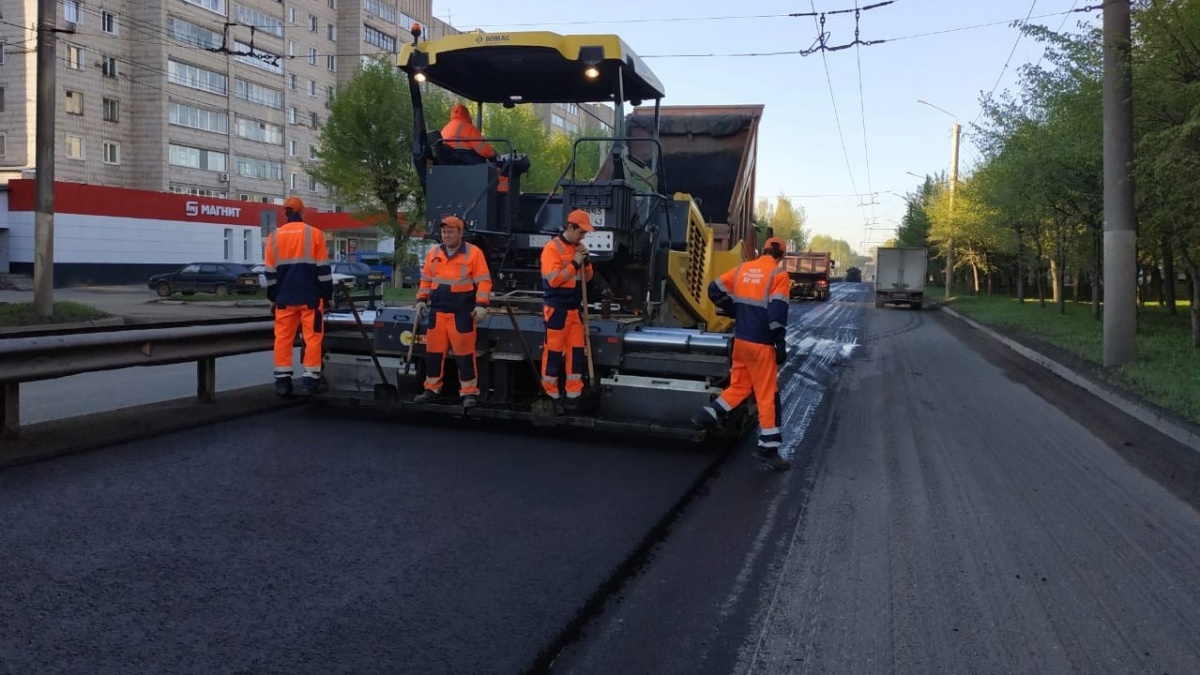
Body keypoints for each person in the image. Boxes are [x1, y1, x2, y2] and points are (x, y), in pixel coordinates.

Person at [691, 237, 792, 470]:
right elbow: (777, 315)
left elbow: (713, 289)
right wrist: (780, 344)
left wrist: (732, 308)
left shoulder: (743, 269)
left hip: (742, 341)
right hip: (762, 344)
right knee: (767, 395)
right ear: (781, 255)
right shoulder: (779, 276)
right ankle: (768, 447)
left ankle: (708, 413)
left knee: (740, 387)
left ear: (763, 251)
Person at [413, 215, 493, 408]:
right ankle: (431, 389)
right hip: (438, 311)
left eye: (450, 232)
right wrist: (421, 300)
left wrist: (481, 305)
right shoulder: (434, 252)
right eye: (444, 232)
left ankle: (468, 393)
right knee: (433, 353)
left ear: (460, 233)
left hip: (462, 312)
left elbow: (483, 281)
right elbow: (426, 280)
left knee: (465, 355)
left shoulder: (473, 253)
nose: (446, 235)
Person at [266, 196, 333, 397]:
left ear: (285, 213)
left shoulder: (274, 237)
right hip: (311, 298)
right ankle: (311, 381)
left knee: (283, 339)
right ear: (302, 212)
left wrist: (273, 299)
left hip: (285, 299)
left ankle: (282, 381)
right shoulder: (315, 234)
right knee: (312, 338)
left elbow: (270, 273)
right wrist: (327, 295)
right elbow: (323, 270)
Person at [539, 208, 595, 411]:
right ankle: (550, 394)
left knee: (576, 352)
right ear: (570, 227)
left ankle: (573, 396)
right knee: (553, 352)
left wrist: (586, 262)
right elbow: (554, 280)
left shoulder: (578, 248)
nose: (583, 236)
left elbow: (586, 280)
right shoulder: (552, 249)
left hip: (574, 310)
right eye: (581, 232)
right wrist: (574, 263)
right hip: (556, 309)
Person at [441, 103, 510, 193]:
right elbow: (483, 150)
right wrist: (494, 154)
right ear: (466, 115)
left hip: (456, 166)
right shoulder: (468, 128)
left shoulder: (445, 129)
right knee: (502, 172)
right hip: (470, 165)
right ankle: (503, 201)